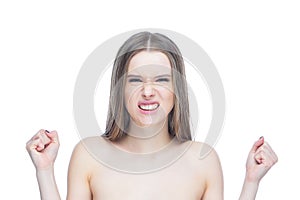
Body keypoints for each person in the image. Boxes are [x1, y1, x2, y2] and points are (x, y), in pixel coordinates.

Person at [26, 32, 278, 200]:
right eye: (135, 80)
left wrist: (251, 182)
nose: (147, 91)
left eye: (161, 79)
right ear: (120, 89)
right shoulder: (89, 154)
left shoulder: (203, 159)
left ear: (176, 89)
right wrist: (45, 171)